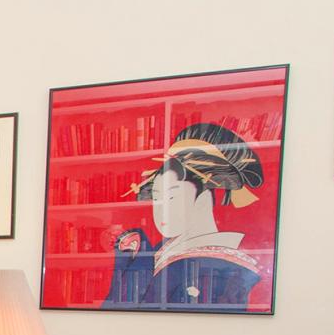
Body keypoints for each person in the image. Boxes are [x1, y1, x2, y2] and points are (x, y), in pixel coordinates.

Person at [102, 121, 266, 312]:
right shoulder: (162, 251)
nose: (161, 209)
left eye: (172, 197)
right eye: (157, 199)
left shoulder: (218, 264)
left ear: (203, 199)